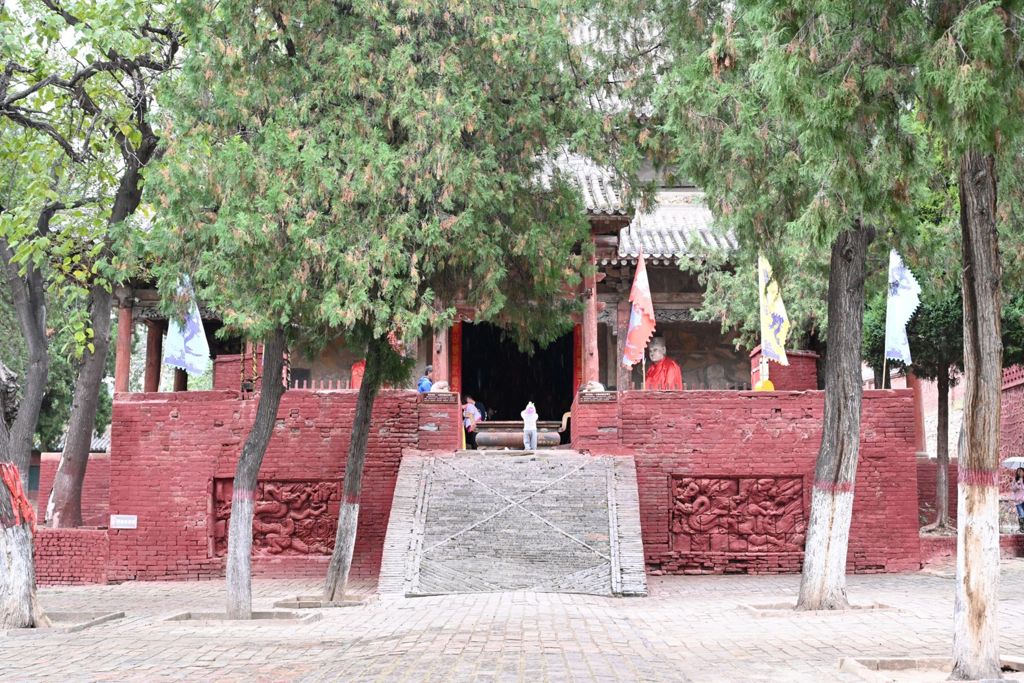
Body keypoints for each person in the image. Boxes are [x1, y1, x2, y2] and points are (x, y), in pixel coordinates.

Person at [1013, 467, 1024, 533]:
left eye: (1021, 471)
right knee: (1021, 514)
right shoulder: (1015, 480)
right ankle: (1022, 528)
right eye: (1018, 471)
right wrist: (1018, 484)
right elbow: (1013, 489)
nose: (1020, 473)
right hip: (1018, 501)